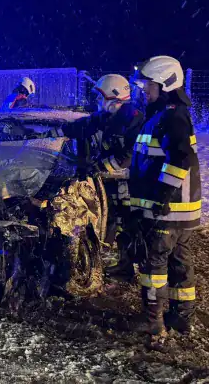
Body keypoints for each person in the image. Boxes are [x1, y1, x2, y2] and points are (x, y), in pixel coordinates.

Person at [128, 56, 201, 337]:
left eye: (148, 85)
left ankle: (153, 322)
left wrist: (161, 195)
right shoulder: (169, 113)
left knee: (154, 264)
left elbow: (181, 158)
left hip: (167, 209)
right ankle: (182, 317)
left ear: (166, 84)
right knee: (180, 263)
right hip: (180, 210)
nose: (143, 90)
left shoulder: (172, 116)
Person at [58, 74, 143, 281]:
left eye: (101, 97)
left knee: (130, 224)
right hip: (113, 181)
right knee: (115, 221)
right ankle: (123, 265)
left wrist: (100, 166)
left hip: (132, 183)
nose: (98, 101)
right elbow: (84, 126)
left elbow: (129, 156)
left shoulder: (134, 119)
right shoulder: (108, 117)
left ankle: (134, 268)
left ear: (114, 98)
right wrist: (58, 131)